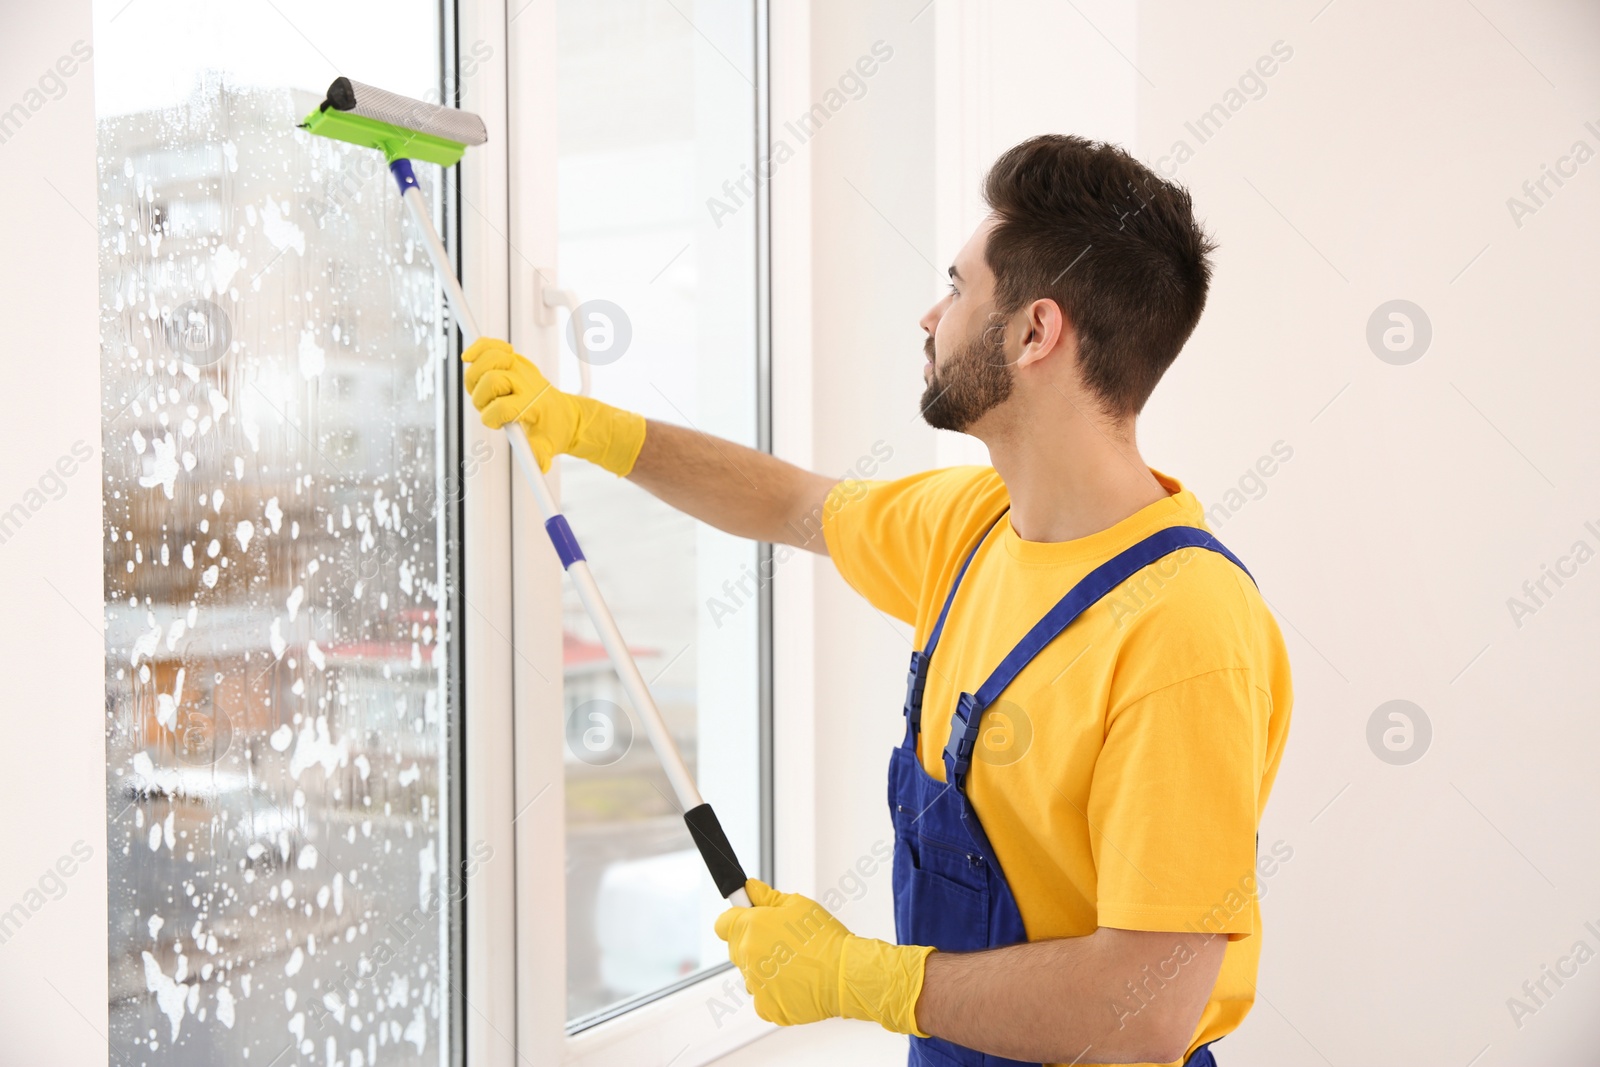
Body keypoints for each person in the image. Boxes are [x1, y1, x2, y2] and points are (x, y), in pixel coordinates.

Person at [462, 134, 1293, 1067]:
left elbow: (1145, 1009)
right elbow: (791, 503)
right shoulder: (974, 525)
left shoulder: (1184, 626)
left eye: (958, 285)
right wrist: (583, 426)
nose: (931, 313)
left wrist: (856, 977)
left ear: (1034, 333)